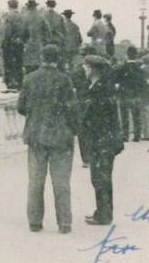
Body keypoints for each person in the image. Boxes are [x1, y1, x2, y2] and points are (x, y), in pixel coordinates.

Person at [17, 44, 78, 234]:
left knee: (35, 181)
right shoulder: (64, 80)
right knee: (61, 183)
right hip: (60, 137)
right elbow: (72, 109)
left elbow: (21, 107)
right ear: (57, 59)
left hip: (36, 135)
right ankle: (64, 223)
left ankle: (35, 221)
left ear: (42, 57)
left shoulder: (29, 79)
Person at [76, 55, 124, 225]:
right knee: (102, 177)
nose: (85, 70)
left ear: (93, 69)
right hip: (105, 140)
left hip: (101, 140)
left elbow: (95, 117)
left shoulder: (100, 90)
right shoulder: (102, 87)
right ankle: (103, 212)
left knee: (100, 178)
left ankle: (103, 214)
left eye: (87, 67)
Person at [1, 0, 25, 92]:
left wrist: (5, 42)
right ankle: (19, 83)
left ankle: (10, 84)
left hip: (10, 44)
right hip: (20, 43)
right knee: (19, 63)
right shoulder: (22, 17)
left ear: (9, 6)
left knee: (9, 64)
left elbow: (7, 32)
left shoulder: (9, 16)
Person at [21, 0, 48, 77]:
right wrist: (45, 42)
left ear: (28, 7)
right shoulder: (42, 18)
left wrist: (24, 43)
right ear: (35, 7)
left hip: (28, 47)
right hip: (39, 46)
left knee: (29, 69)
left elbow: (22, 33)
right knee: (39, 68)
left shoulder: (25, 18)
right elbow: (48, 33)